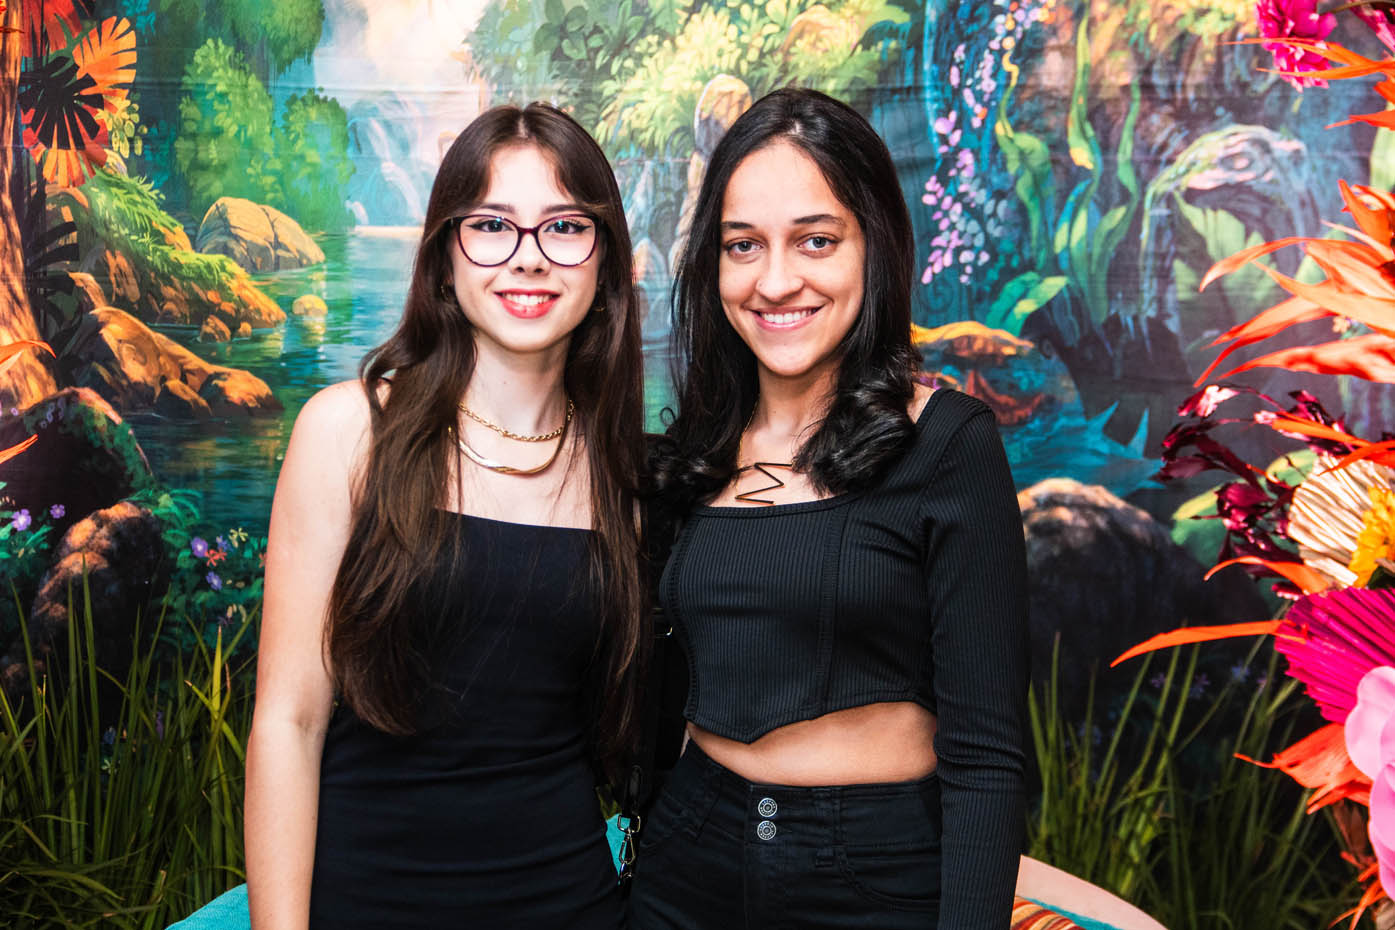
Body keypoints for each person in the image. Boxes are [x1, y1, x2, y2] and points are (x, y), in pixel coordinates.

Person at [632, 88, 1029, 928]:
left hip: (873, 872)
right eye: (743, 245)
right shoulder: (689, 456)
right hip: (686, 858)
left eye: (815, 240)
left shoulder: (948, 444)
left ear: (873, 247)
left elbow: (987, 757)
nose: (776, 281)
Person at [244, 102, 645, 930]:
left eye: (565, 227)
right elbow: (289, 722)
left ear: (604, 260)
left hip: (568, 905)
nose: (528, 257)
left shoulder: (628, 476)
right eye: (491, 225)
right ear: (443, 257)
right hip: (368, 903)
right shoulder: (348, 432)